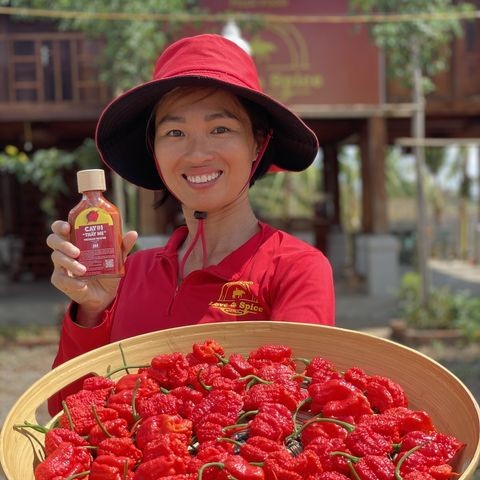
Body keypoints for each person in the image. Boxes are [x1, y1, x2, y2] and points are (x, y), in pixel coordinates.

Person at [46, 33, 335, 413]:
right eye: (175, 132)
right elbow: (67, 413)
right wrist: (91, 310)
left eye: (220, 129)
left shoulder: (296, 269)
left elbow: (295, 415)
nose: (197, 153)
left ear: (257, 144)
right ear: (154, 150)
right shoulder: (128, 272)